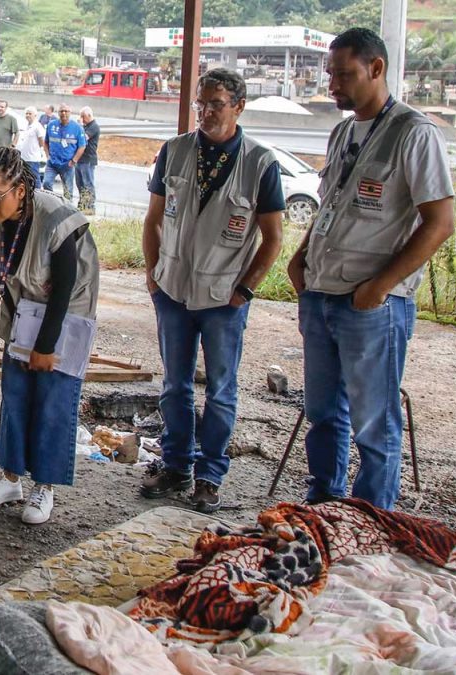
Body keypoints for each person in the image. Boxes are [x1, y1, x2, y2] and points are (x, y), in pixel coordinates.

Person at [288, 28, 455, 511]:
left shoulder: (414, 133)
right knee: (323, 414)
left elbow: (439, 223)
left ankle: (370, 522)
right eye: (330, 75)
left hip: (372, 305)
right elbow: (331, 205)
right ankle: (324, 508)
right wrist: (301, 256)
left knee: (374, 424)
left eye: (344, 74)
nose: (333, 85)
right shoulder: (343, 132)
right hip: (321, 293)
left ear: (376, 68)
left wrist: (380, 287)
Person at [139, 68, 286, 513]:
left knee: (221, 389)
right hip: (174, 290)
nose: (206, 112)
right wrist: (152, 273)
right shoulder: (176, 151)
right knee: (174, 386)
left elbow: (273, 237)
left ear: (239, 106)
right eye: (200, 104)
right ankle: (176, 465)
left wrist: (246, 289)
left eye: (216, 104)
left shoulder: (260, 163)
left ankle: (209, 476)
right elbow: (153, 219)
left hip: (225, 297)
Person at [0, 146, 100, 525]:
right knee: (15, 392)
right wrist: (16, 328)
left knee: (52, 397)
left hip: (66, 309)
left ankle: (45, 485)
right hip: (24, 305)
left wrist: (44, 347)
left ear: (20, 191)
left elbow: (63, 290)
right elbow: (1, 272)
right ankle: (10, 478)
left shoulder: (58, 220)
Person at [43, 104, 85, 202]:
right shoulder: (51, 125)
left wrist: (74, 161)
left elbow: (82, 146)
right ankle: (52, 203)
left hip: (67, 165)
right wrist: (48, 156)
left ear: (70, 113)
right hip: (52, 163)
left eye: (66, 111)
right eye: (61, 111)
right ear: (58, 113)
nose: (64, 113)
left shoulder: (77, 128)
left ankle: (67, 210)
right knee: (46, 184)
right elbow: (46, 142)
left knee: (68, 191)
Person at [75, 106, 100, 214]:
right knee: (80, 182)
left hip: (88, 159)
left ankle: (90, 205)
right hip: (80, 158)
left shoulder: (93, 126)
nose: (82, 119)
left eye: (83, 116)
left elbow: (83, 138)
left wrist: (79, 125)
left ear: (89, 116)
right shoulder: (85, 126)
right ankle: (82, 203)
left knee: (87, 183)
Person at [18, 107, 47, 188]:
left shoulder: (37, 126)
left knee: (35, 178)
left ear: (35, 115)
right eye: (26, 113)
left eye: (30, 113)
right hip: (24, 157)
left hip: (32, 158)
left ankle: (38, 194)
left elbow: (42, 141)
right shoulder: (26, 125)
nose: (28, 115)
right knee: (25, 178)